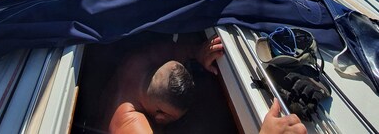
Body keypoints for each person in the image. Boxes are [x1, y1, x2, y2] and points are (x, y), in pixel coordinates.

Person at [103, 35, 306, 134]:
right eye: (174, 118)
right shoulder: (132, 126)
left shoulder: (141, 62)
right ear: (160, 115)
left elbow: (173, 52)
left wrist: (197, 52)